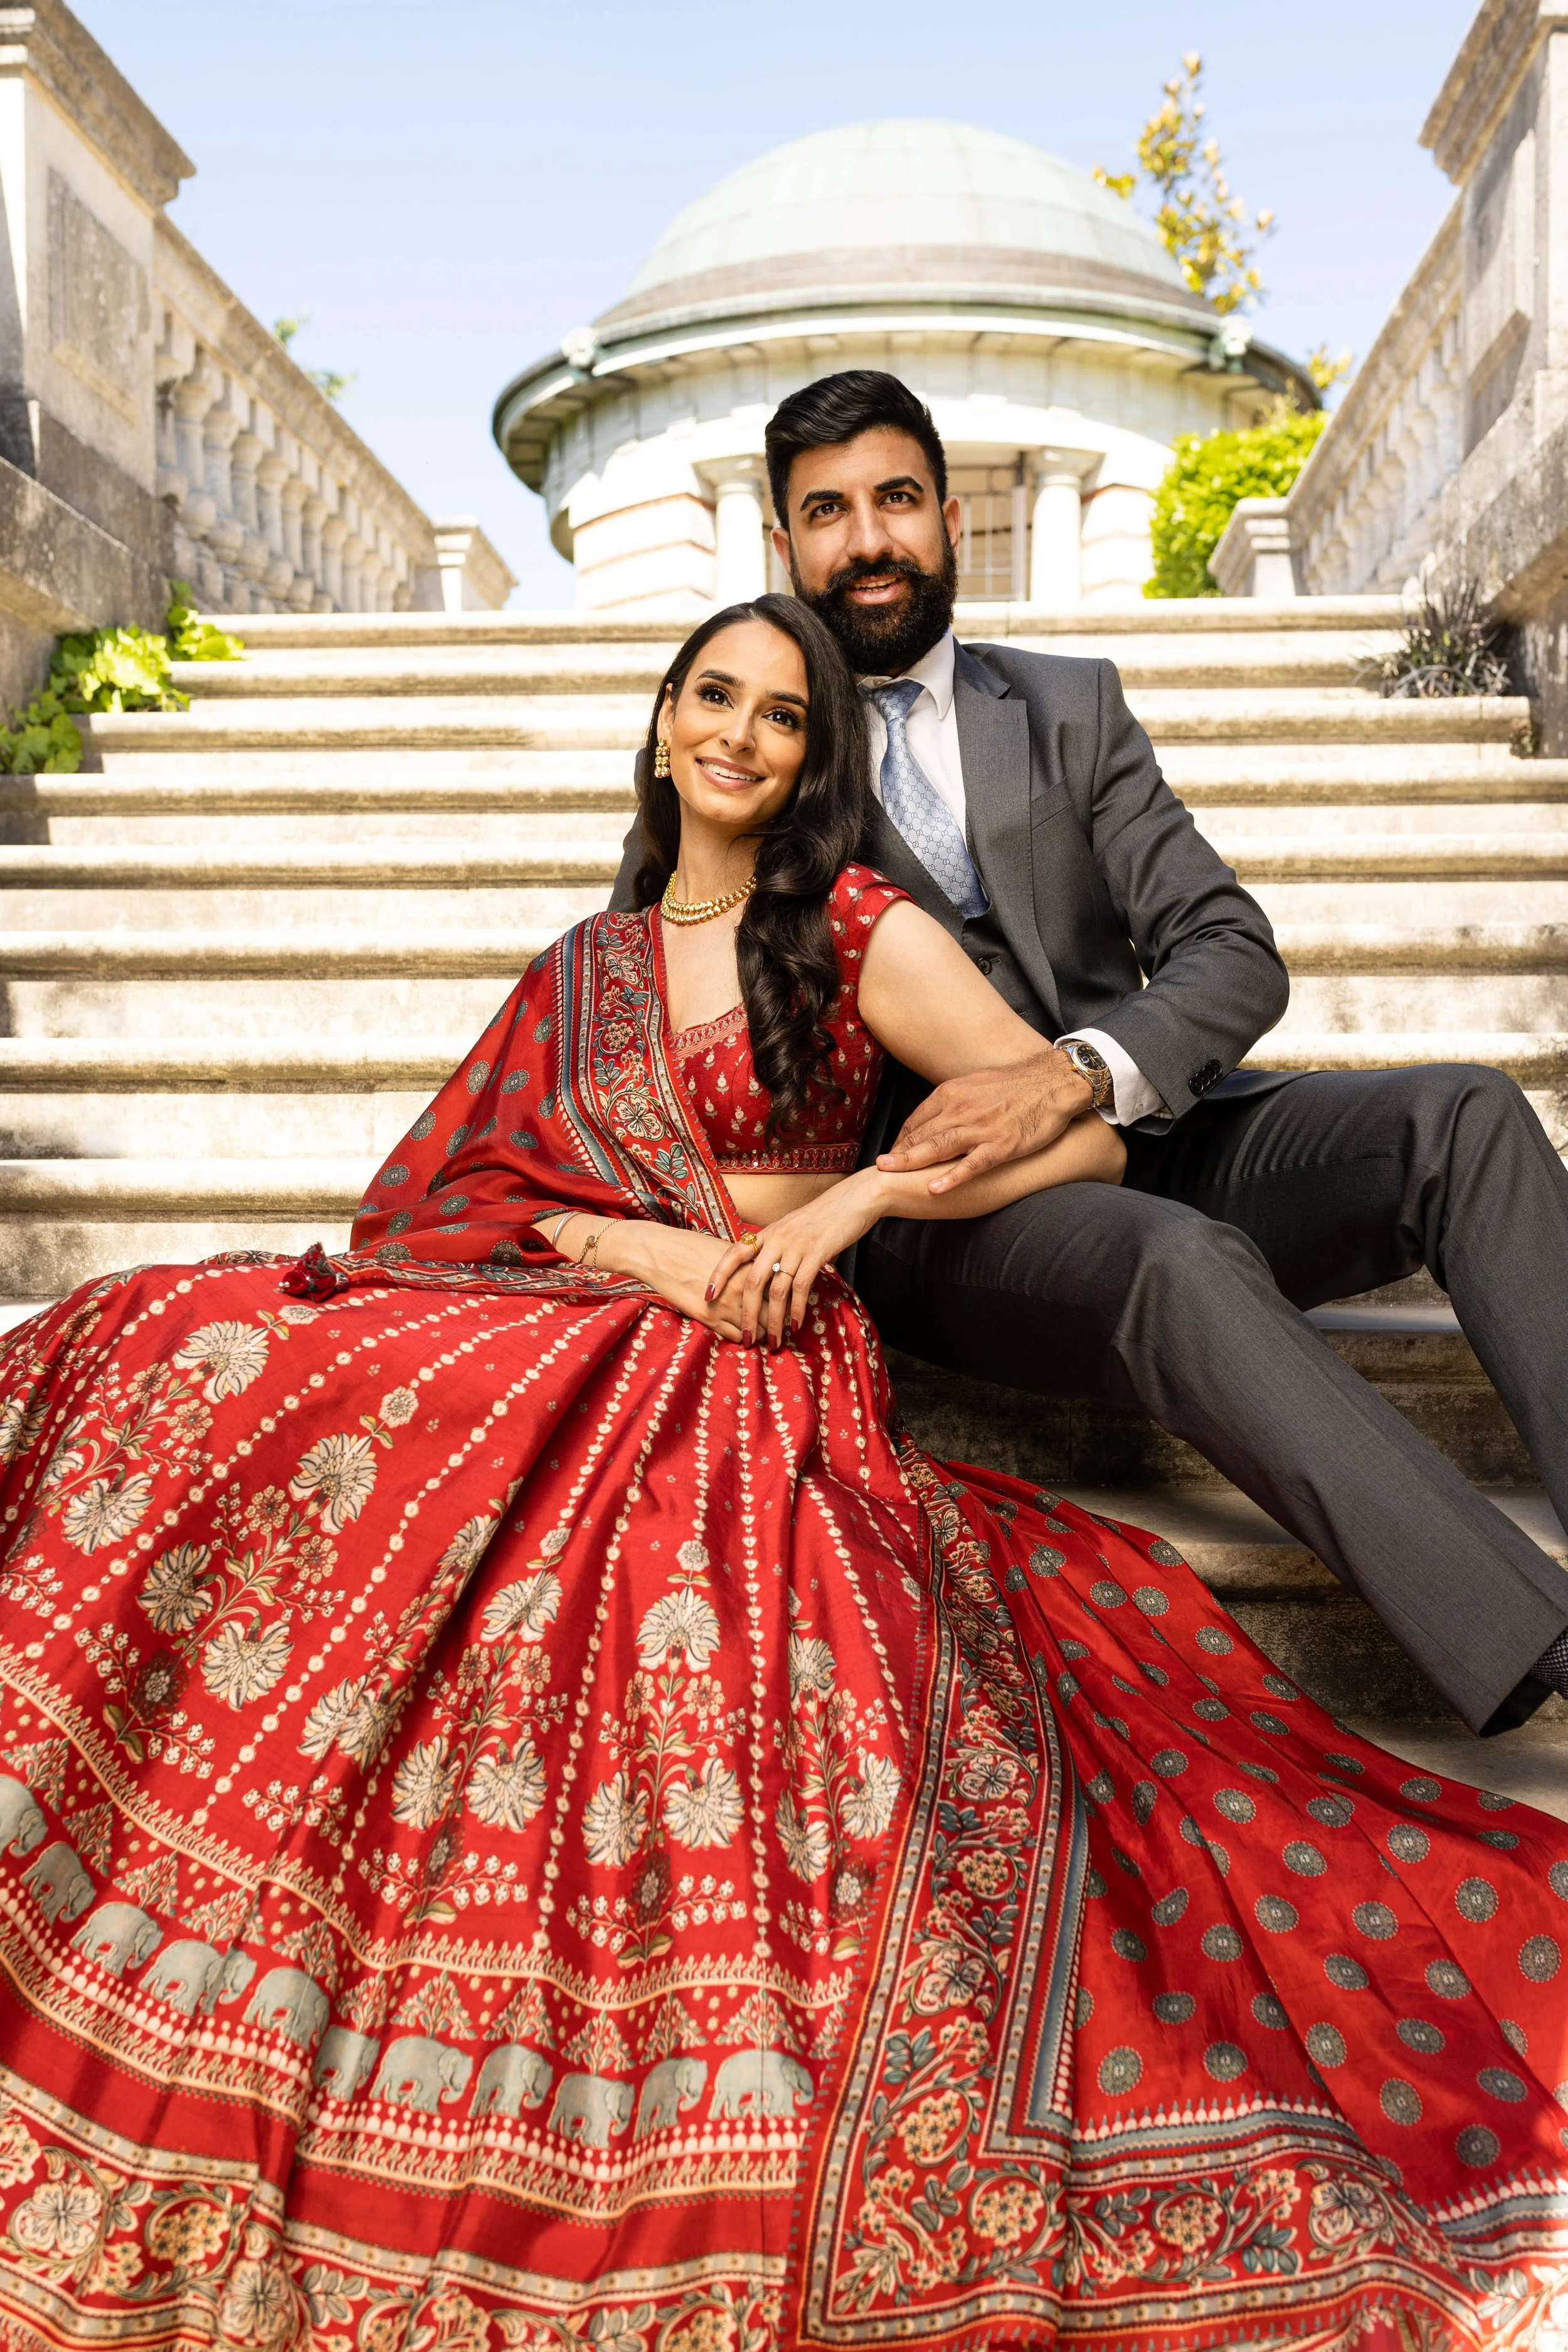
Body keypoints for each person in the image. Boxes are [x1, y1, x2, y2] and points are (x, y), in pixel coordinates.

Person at [0, 594, 1565, 2352]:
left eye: (780, 713)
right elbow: (459, 1197)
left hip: (758, 1337)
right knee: (179, 1333)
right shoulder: (584, 963)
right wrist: (637, 1244)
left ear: (814, 757)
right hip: (597, 1297)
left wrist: (854, 1202)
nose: (737, 733)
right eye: (711, 697)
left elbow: (1058, 1128)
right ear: (663, 720)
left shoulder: (853, 925)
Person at [608, 368, 1568, 1744]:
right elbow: (642, 993)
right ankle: (1534, 1635)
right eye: (825, 511)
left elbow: (1228, 947)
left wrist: (1074, 1072)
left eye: (895, 499)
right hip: (948, 1211)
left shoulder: (1067, 706)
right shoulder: (753, 746)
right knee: (1177, 1263)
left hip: (1151, 1122)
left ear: (951, 520)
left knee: (1465, 1116)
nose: (867, 539)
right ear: (783, 546)